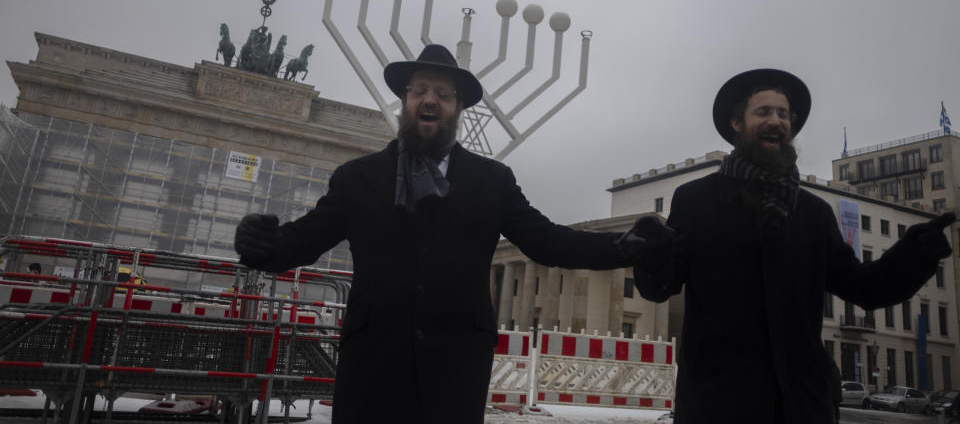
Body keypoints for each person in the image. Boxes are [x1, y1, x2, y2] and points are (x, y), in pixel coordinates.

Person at [234, 43, 661, 424]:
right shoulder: (358, 178)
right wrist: (264, 246)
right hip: (374, 364)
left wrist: (621, 248)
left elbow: (546, 240)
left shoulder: (491, 181)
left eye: (442, 93)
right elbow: (305, 238)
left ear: (459, 108)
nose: (430, 100)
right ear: (404, 100)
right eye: (420, 90)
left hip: (454, 366)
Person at [631, 68, 954, 423]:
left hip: (800, 404)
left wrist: (915, 253)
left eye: (783, 114)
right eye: (764, 112)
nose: (776, 122)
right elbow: (661, 286)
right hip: (718, 402)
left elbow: (865, 288)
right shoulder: (696, 200)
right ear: (737, 122)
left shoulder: (813, 213)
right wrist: (651, 255)